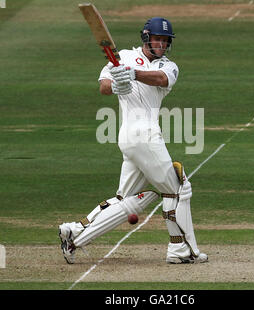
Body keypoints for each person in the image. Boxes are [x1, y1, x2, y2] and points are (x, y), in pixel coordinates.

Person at [59, 17, 208, 265]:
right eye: (157, 38)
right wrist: (116, 83)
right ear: (146, 38)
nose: (161, 43)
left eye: (165, 40)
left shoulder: (169, 66)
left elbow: (160, 79)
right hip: (140, 135)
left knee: (126, 199)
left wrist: (133, 73)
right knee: (178, 189)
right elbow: (103, 86)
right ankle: (180, 250)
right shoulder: (124, 56)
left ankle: (73, 235)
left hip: (136, 137)